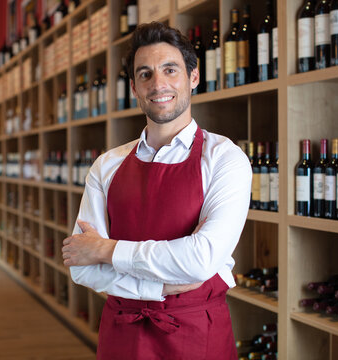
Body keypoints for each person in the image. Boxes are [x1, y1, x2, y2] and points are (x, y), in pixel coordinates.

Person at [61, 22, 251, 360]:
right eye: (145, 74)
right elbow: (81, 265)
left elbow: (200, 258)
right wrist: (157, 287)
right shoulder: (106, 166)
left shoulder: (225, 158)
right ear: (134, 87)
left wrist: (105, 251)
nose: (158, 84)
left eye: (170, 70)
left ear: (193, 77)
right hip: (122, 334)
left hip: (196, 335)